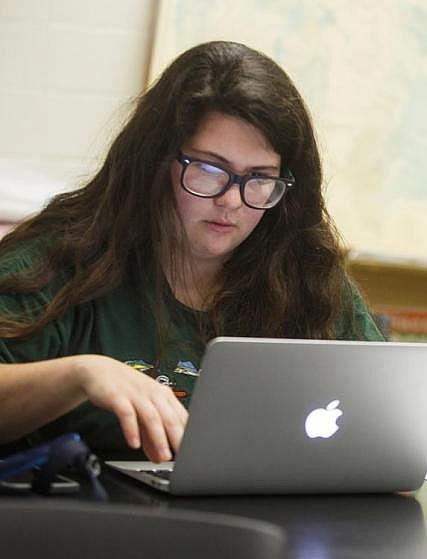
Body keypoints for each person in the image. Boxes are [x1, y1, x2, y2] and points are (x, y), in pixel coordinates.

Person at [0, 41, 382, 463]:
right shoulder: (61, 258)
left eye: (259, 178)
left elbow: (389, 411)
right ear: (155, 161)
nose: (232, 200)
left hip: (269, 517)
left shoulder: (304, 271)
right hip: (84, 519)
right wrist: (79, 375)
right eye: (209, 169)